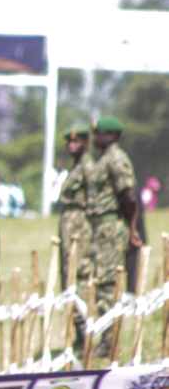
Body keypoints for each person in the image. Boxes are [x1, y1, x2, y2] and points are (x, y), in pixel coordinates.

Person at [86, 116, 140, 357]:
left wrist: (132, 227)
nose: (95, 137)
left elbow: (129, 197)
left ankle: (109, 341)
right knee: (101, 283)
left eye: (100, 133)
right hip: (100, 228)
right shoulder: (104, 159)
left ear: (112, 136)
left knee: (108, 284)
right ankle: (106, 337)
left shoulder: (116, 159)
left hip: (111, 228)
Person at [58, 127, 93, 346]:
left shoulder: (88, 167)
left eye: (76, 142)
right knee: (69, 278)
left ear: (85, 143)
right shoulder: (76, 167)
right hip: (70, 228)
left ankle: (85, 333)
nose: (71, 146)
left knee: (78, 277)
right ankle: (78, 333)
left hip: (80, 230)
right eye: (69, 142)